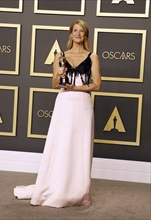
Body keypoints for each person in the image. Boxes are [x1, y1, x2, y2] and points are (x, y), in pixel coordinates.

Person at [14, 19, 101, 208]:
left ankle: (80, 191)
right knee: (61, 143)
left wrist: (75, 88)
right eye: (75, 31)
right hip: (64, 103)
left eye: (82, 31)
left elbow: (97, 84)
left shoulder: (92, 56)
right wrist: (60, 77)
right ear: (70, 33)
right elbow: (54, 84)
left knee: (81, 145)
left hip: (82, 104)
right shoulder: (60, 55)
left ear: (86, 35)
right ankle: (57, 185)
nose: (78, 34)